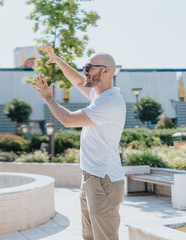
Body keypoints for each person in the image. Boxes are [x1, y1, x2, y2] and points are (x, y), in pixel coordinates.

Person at [33, 46, 126, 240]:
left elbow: (67, 120)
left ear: (106, 71)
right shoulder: (100, 95)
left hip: (103, 180)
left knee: (104, 237)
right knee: (90, 236)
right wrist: (58, 60)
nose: (85, 71)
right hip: (92, 178)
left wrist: (49, 98)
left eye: (89, 67)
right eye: (85, 66)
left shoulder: (109, 102)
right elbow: (77, 80)